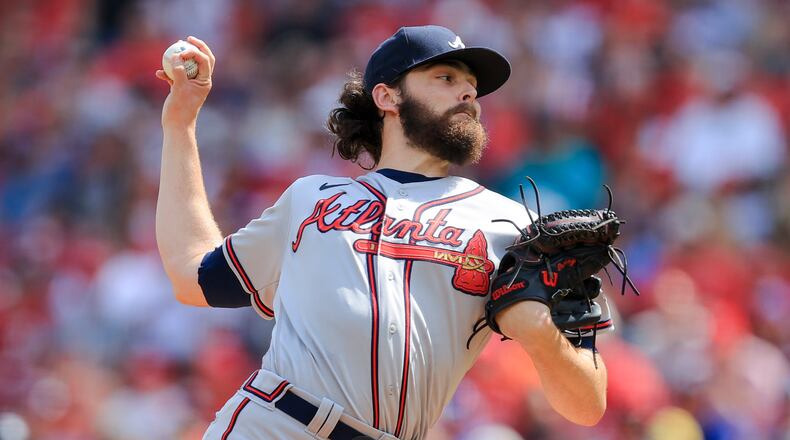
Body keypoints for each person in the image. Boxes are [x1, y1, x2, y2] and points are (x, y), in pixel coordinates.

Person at [155, 25, 610, 440]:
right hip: (276, 425)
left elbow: (588, 406)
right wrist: (180, 123)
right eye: (446, 78)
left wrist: (538, 333)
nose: (469, 92)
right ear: (387, 98)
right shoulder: (311, 198)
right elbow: (193, 274)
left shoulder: (509, 225)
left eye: (471, 86)